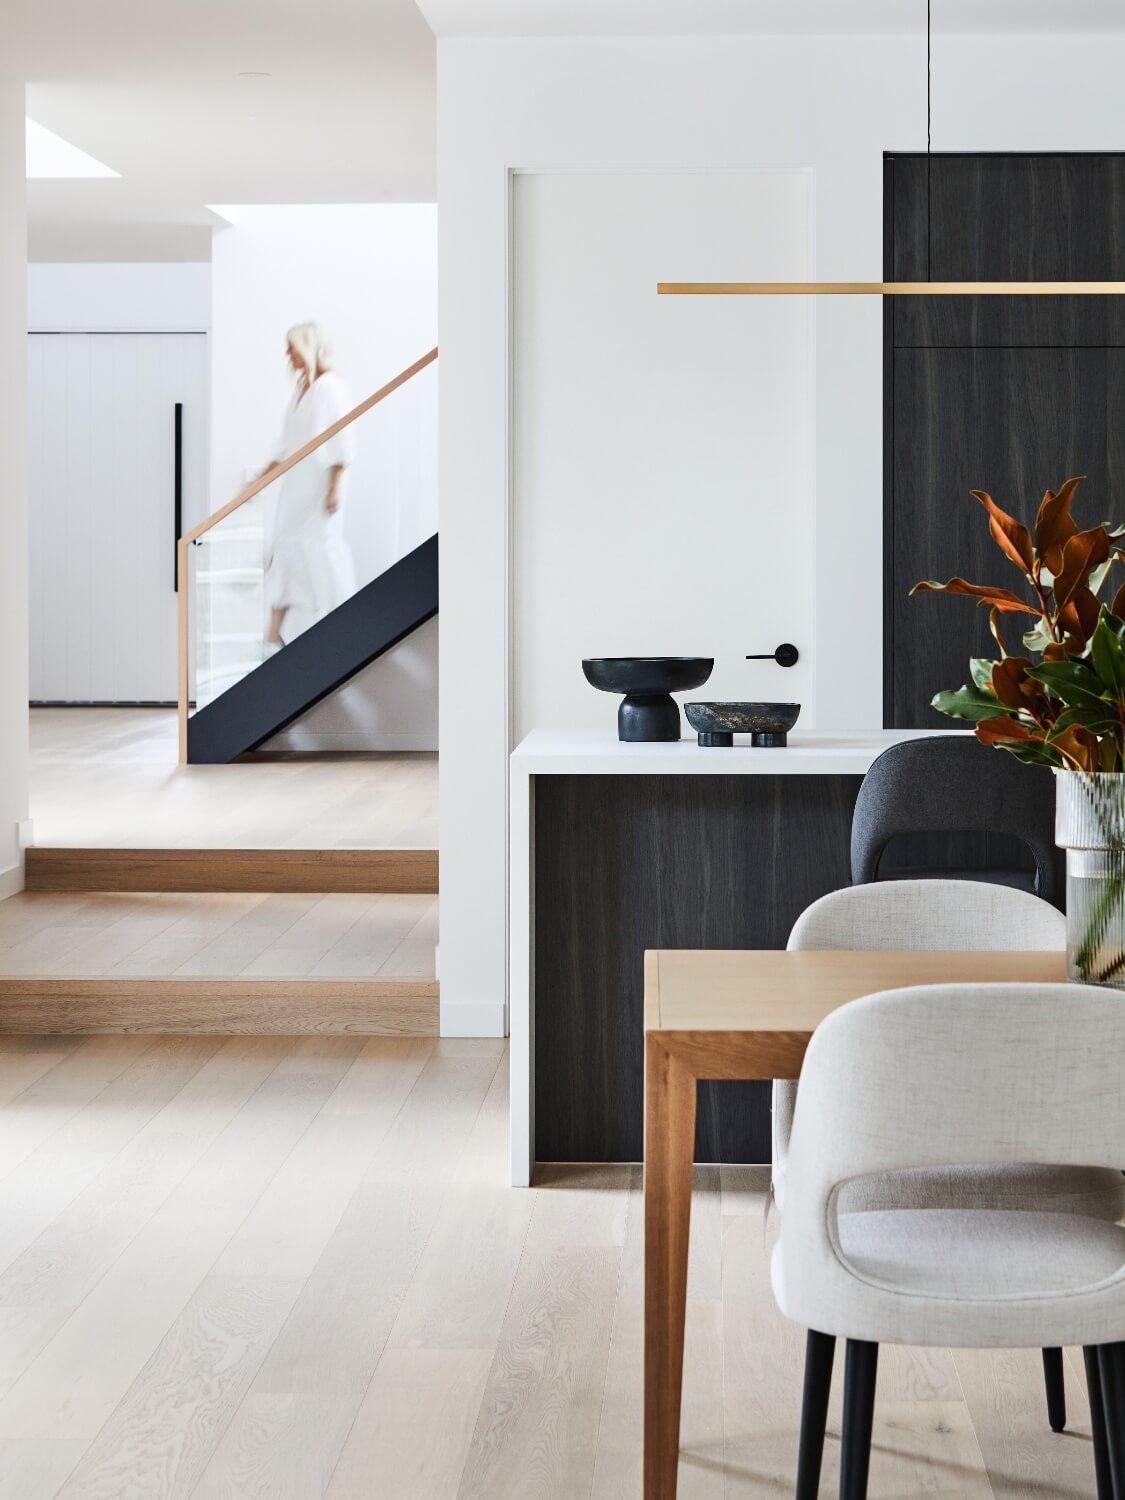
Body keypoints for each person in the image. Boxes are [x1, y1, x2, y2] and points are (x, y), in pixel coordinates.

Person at [260, 322, 357, 650]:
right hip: (296, 489)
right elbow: (288, 442)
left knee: (319, 551)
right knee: (285, 550)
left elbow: (342, 437)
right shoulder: (301, 388)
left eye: (292, 346)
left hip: (317, 489)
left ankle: (343, 622)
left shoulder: (329, 387)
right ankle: (272, 634)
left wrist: (334, 487)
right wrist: (261, 476)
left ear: (308, 346)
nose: (287, 353)